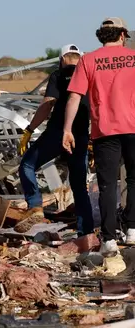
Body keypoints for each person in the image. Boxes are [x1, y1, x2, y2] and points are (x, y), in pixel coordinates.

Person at [63, 17, 135, 256]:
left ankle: (110, 239)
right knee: (134, 179)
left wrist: (67, 129)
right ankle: (133, 228)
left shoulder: (88, 60)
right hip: (133, 128)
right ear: (123, 35)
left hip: (105, 131)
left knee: (106, 186)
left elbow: (74, 97)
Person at [14, 44, 93, 236]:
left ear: (61, 59)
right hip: (80, 135)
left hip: (57, 132)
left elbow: (47, 105)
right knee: (79, 186)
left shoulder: (58, 76)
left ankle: (34, 206)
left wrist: (29, 130)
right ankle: (86, 232)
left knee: (27, 165)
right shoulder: (89, 74)